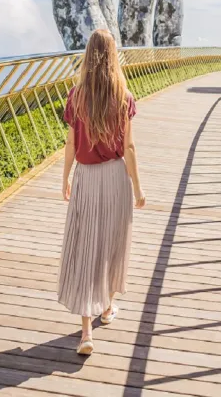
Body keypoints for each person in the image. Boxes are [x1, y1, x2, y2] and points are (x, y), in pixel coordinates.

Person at [57, 28, 146, 355]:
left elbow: (69, 144)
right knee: (110, 244)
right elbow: (130, 148)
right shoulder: (124, 97)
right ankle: (106, 309)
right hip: (115, 179)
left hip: (87, 178)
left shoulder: (75, 96)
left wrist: (66, 177)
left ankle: (86, 333)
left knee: (85, 247)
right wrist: (137, 186)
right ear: (113, 55)